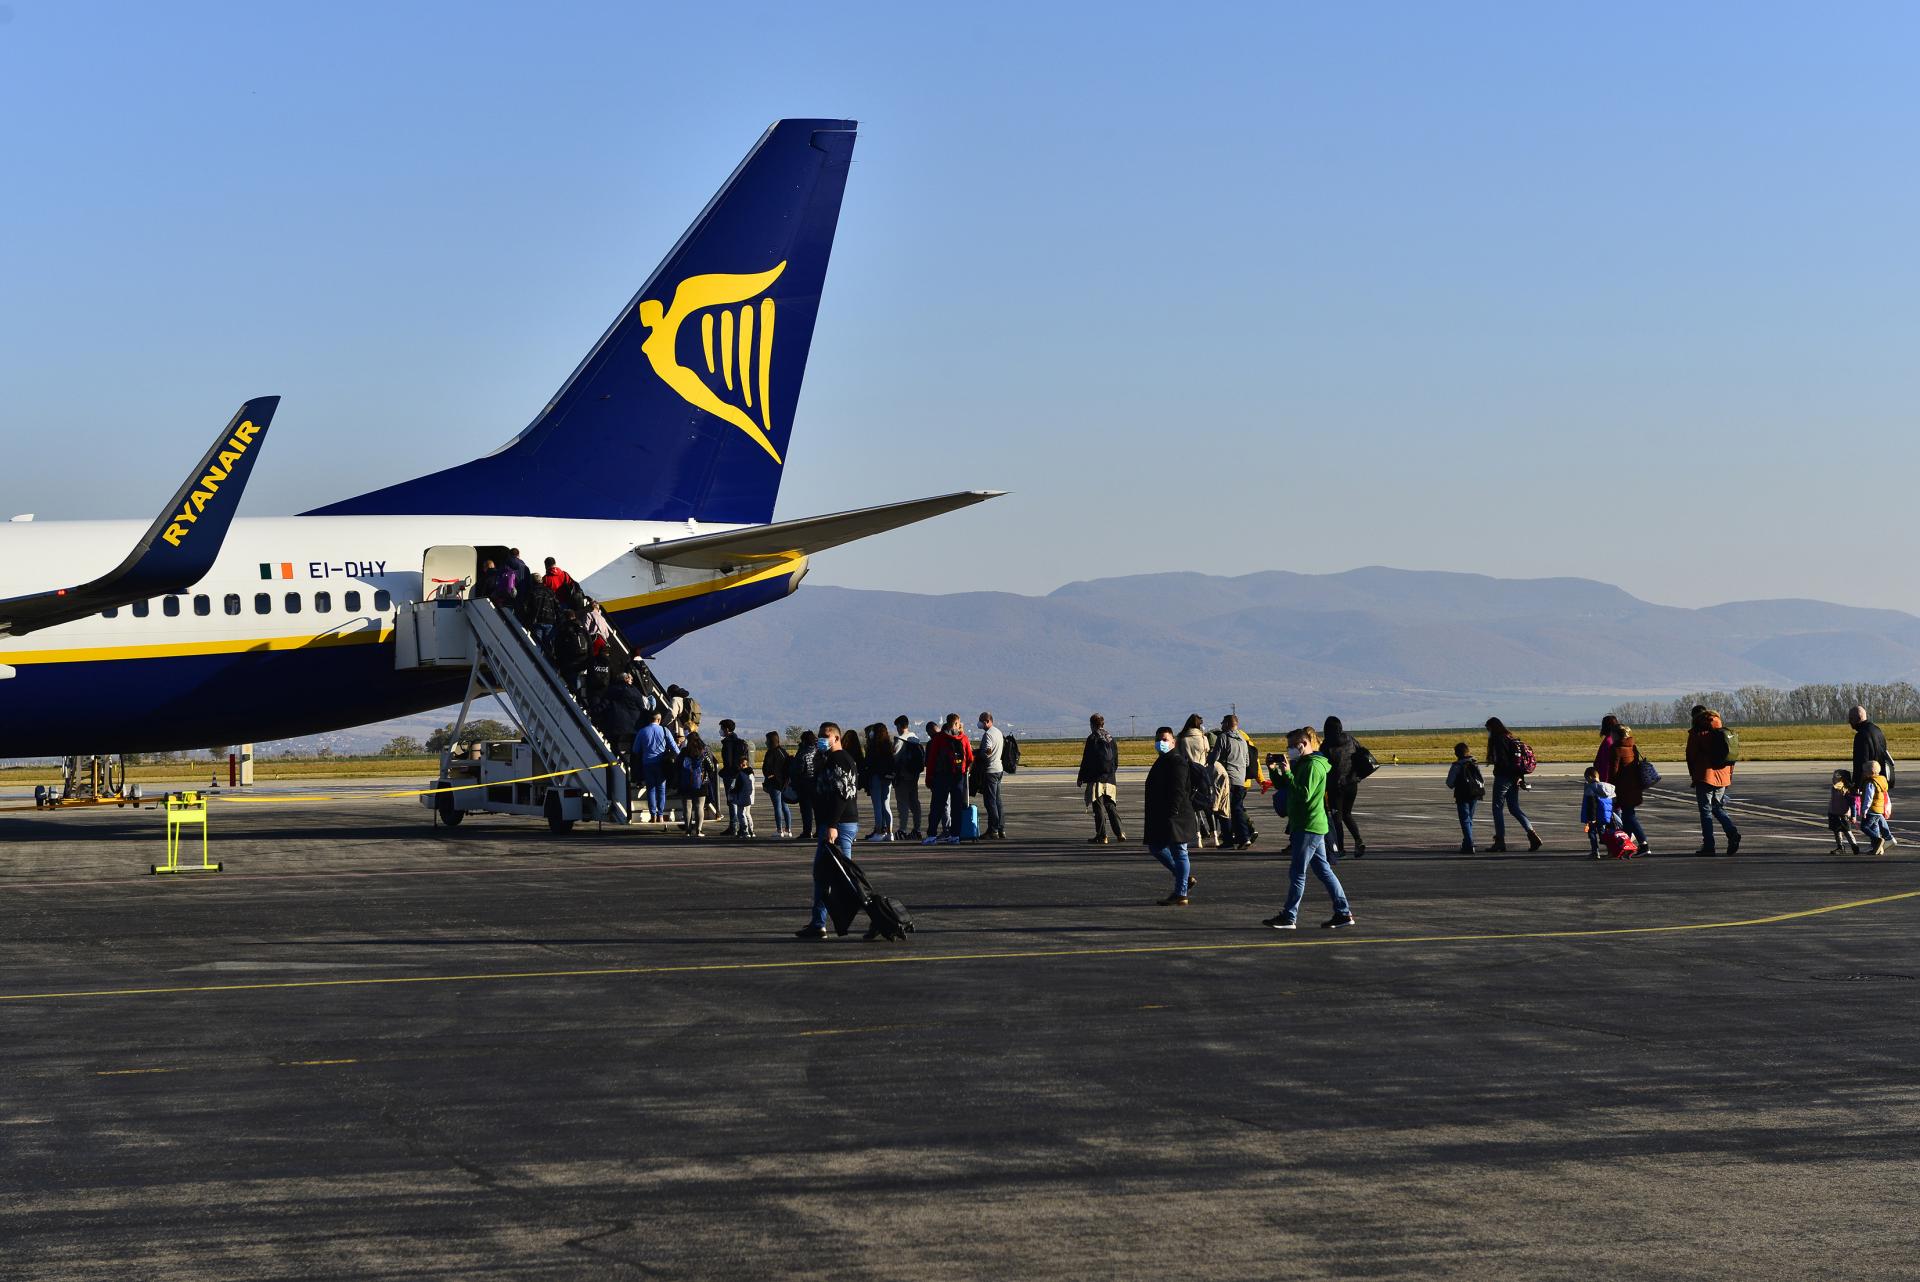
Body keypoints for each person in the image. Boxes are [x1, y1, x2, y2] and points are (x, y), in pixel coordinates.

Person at [1263, 727, 1355, 930]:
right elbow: (1287, 786)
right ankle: (1343, 912)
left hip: (1308, 825)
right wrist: (1275, 770)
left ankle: (1289, 916)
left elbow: (1304, 793)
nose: (1289, 751)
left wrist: (1287, 774)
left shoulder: (1313, 766)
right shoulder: (1302, 764)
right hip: (1307, 824)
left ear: (1303, 744)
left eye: (1291, 747)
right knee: (1323, 870)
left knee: (1297, 872)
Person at [797, 722, 861, 939]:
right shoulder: (832, 760)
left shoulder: (839, 760)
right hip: (836, 823)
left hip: (838, 825)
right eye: (820, 736)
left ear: (836, 738)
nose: (821, 739)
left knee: (840, 877)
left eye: (826, 736)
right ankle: (818, 923)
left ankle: (873, 913)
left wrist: (832, 824)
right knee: (826, 875)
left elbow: (841, 794)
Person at [1141, 726, 1199, 905]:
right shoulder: (1163, 760)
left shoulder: (1176, 761)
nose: (1160, 743)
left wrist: (1173, 811)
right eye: (1158, 739)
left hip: (1177, 815)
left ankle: (1181, 893)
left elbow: (1178, 789)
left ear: (1173, 742)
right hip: (1164, 815)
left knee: (1180, 851)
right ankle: (1184, 879)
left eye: (1165, 739)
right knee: (1156, 847)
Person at [1685, 705, 1741, 856]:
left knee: (1705, 811)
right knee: (1717, 807)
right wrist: (1728, 776)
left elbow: (1691, 756)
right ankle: (1732, 832)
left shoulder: (1697, 733)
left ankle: (1709, 845)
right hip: (1723, 775)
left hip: (1705, 776)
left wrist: (1694, 776)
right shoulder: (1722, 731)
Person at [1484, 717, 1542, 853]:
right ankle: (1531, 833)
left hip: (1503, 777)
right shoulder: (1510, 738)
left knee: (1497, 808)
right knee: (1514, 808)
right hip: (1514, 777)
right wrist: (1518, 777)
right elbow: (1516, 761)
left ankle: (1500, 840)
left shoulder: (1498, 740)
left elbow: (1503, 761)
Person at [1320, 716, 1366, 857]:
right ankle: (1358, 840)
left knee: (1337, 818)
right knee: (1347, 813)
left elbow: (1323, 766)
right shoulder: (1350, 739)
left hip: (1336, 786)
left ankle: (1340, 848)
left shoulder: (1327, 745)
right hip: (1352, 784)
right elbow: (1361, 753)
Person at [925, 714, 974, 844]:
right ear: (958, 723)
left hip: (942, 776)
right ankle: (955, 835)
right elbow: (970, 758)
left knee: (937, 806)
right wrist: (964, 770)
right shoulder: (963, 738)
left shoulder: (939, 738)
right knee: (956, 807)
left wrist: (929, 777)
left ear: (947, 722)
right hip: (958, 776)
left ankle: (931, 835)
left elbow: (932, 759)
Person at [1208, 714, 1254, 848]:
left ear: (1227, 724)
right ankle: (1244, 837)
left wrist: (1209, 759)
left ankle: (1228, 840)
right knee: (1237, 809)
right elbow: (1246, 761)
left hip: (1228, 780)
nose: (1221, 726)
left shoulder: (1223, 737)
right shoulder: (1243, 739)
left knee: (1224, 810)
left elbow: (1214, 758)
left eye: (1223, 723)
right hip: (1241, 780)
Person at [1077, 713, 1124, 843]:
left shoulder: (1092, 738)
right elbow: (1116, 761)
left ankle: (1102, 835)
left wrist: (1081, 777)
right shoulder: (1111, 738)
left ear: (1092, 725)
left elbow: (1086, 760)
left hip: (1096, 779)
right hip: (1110, 778)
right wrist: (1110, 773)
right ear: (1103, 724)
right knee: (1110, 805)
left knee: (1098, 807)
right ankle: (1120, 832)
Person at [1610, 726, 1651, 855]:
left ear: (1616, 735)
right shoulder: (1632, 747)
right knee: (1628, 817)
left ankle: (1644, 844)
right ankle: (1625, 845)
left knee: (1629, 816)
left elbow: (1614, 771)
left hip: (1623, 788)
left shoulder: (1616, 749)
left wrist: (1611, 788)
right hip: (1634, 786)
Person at [635, 709, 673, 823]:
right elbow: (674, 747)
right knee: (661, 790)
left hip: (647, 763)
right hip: (661, 764)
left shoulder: (642, 731)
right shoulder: (665, 730)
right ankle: (661, 815)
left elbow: (635, 749)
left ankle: (653, 815)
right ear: (659, 719)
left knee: (651, 789)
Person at [1445, 741, 1483, 853]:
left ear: (1457, 754)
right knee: (1469, 818)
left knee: (1465, 819)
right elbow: (1481, 779)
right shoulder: (1474, 763)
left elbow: (1450, 783)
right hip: (1475, 793)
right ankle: (1467, 842)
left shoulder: (1457, 765)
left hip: (1462, 794)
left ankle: (1469, 843)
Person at [717, 719, 752, 838]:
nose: (721, 731)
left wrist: (724, 772)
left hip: (731, 775)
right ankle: (741, 826)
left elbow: (728, 761)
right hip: (740, 774)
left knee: (731, 800)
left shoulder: (728, 743)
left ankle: (734, 826)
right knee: (739, 800)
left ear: (727, 729)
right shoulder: (739, 742)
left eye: (722, 728)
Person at [1850, 705, 1893, 802]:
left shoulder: (1861, 735)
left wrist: (1856, 784)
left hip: (1868, 781)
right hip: (1881, 779)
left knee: (1869, 812)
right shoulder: (1878, 730)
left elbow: (1861, 761)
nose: (1849, 722)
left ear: (1859, 718)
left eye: (1851, 719)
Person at [892, 716, 925, 842]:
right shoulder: (915, 738)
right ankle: (917, 829)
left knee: (903, 803)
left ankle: (903, 829)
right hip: (914, 775)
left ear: (900, 726)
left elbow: (895, 758)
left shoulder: (900, 740)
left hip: (902, 776)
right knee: (915, 803)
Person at [863, 722, 897, 841]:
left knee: (877, 806)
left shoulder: (873, 746)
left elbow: (868, 763)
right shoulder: (889, 745)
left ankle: (879, 832)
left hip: (876, 777)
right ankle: (890, 832)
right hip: (887, 778)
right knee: (886, 805)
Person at [975, 712, 1006, 839]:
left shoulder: (988, 735)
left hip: (990, 770)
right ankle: (1001, 828)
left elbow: (987, 751)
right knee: (998, 801)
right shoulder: (998, 732)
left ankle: (993, 829)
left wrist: (979, 754)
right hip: (999, 769)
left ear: (987, 721)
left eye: (981, 721)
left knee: (990, 801)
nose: (980, 723)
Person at [677, 731, 713, 837]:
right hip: (701, 783)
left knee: (687, 808)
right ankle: (699, 830)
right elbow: (710, 767)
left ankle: (687, 830)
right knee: (699, 807)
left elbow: (677, 765)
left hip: (685, 784)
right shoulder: (703, 753)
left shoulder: (683, 752)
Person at [1580, 766, 1617, 859]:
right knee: (1603, 834)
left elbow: (1592, 805)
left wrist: (1591, 819)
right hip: (1604, 816)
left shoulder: (1591, 788)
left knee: (1592, 833)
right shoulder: (1606, 787)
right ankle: (1611, 850)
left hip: (1593, 817)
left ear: (1590, 777)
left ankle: (1595, 851)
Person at [762, 731, 793, 839]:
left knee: (777, 807)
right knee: (785, 806)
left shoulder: (771, 753)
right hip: (784, 783)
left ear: (770, 741)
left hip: (774, 784)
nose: (765, 742)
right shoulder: (783, 751)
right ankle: (788, 829)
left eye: (767, 740)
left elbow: (766, 768)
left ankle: (779, 830)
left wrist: (769, 777)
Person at [791, 729, 820, 840]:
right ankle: (819, 830)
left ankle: (807, 831)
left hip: (805, 784)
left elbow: (797, 771)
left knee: (806, 810)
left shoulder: (802, 754)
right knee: (818, 810)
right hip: (817, 783)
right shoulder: (819, 752)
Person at [1861, 760, 1894, 856]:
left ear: (1870, 773)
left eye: (1864, 771)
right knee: (1874, 826)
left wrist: (1865, 810)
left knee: (1865, 827)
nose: (1863, 773)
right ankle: (1877, 848)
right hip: (1879, 809)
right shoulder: (1881, 780)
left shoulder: (1870, 783)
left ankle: (1878, 839)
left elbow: (1869, 798)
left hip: (1872, 810)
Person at [1829, 769, 1862, 855]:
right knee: (1836, 831)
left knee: (1847, 831)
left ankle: (1854, 845)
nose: (1833, 779)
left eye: (1835, 778)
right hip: (1834, 813)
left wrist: (1853, 816)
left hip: (1843, 815)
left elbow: (1852, 804)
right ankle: (1840, 847)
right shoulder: (1834, 789)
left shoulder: (1846, 791)